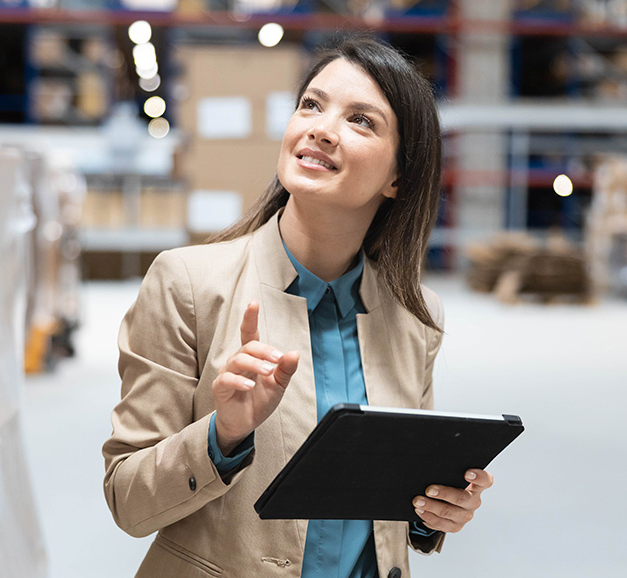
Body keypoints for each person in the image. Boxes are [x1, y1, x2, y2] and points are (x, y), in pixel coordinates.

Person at [103, 36, 494, 578]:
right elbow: (127, 499)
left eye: (361, 121)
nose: (321, 129)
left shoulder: (416, 317)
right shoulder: (188, 284)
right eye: (311, 104)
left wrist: (433, 511)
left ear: (398, 177)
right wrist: (223, 435)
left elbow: (394, 502)